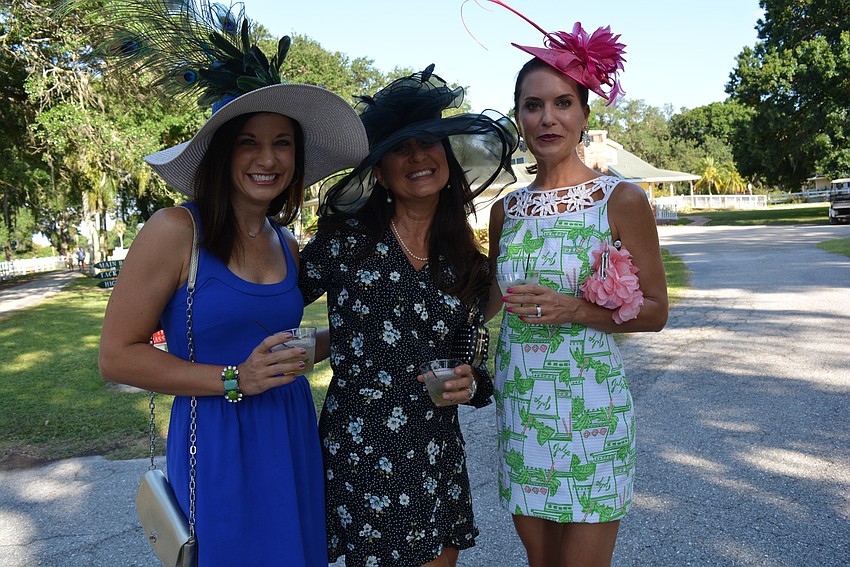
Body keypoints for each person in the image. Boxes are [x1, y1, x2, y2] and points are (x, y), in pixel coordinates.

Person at [94, 3, 369, 565]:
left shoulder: (286, 242)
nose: (268, 158)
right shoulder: (176, 230)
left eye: (282, 143)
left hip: (290, 432)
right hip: (216, 440)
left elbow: (278, 347)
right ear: (222, 152)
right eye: (248, 141)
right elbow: (116, 357)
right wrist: (234, 378)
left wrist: (351, 333)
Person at [299, 65, 517, 567]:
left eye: (428, 143)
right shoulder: (345, 243)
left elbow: (472, 356)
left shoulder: (466, 263)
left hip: (434, 451)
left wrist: (472, 383)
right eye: (401, 148)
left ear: (448, 157)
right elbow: (269, 303)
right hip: (362, 450)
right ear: (379, 171)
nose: (418, 156)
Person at [484, 5, 669, 567]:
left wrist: (575, 310)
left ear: (585, 113)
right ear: (518, 116)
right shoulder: (506, 209)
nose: (548, 118)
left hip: (592, 411)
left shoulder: (620, 199)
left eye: (563, 103)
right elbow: (488, 303)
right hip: (523, 410)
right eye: (532, 105)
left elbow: (656, 311)